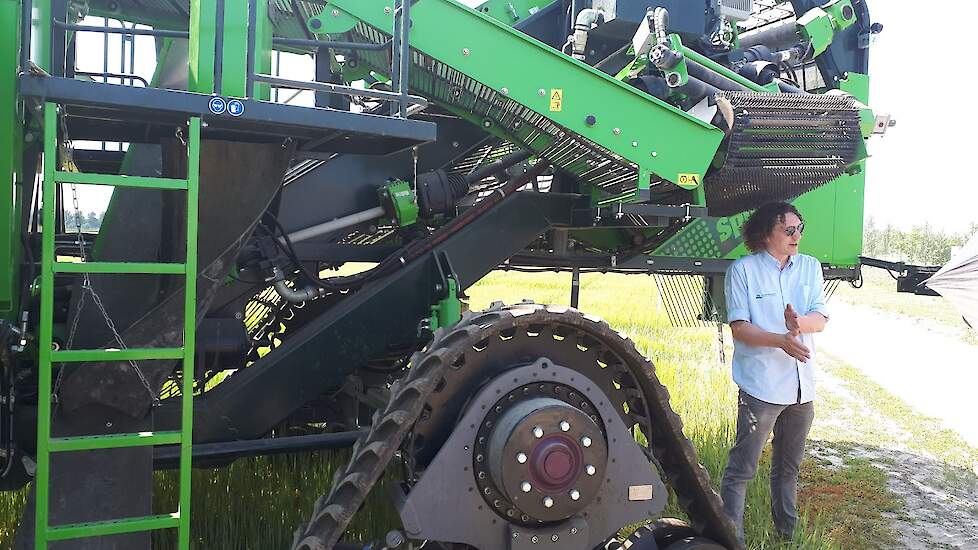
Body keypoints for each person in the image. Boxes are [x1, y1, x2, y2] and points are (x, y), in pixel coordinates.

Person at [720, 201, 829, 543]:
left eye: (800, 229)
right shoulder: (743, 270)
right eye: (789, 229)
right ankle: (730, 538)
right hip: (762, 386)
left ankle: (787, 537)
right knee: (742, 469)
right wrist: (780, 340)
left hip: (801, 388)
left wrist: (799, 324)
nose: (797, 236)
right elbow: (739, 327)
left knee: (788, 470)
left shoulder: (810, 267)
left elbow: (820, 318)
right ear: (766, 233)